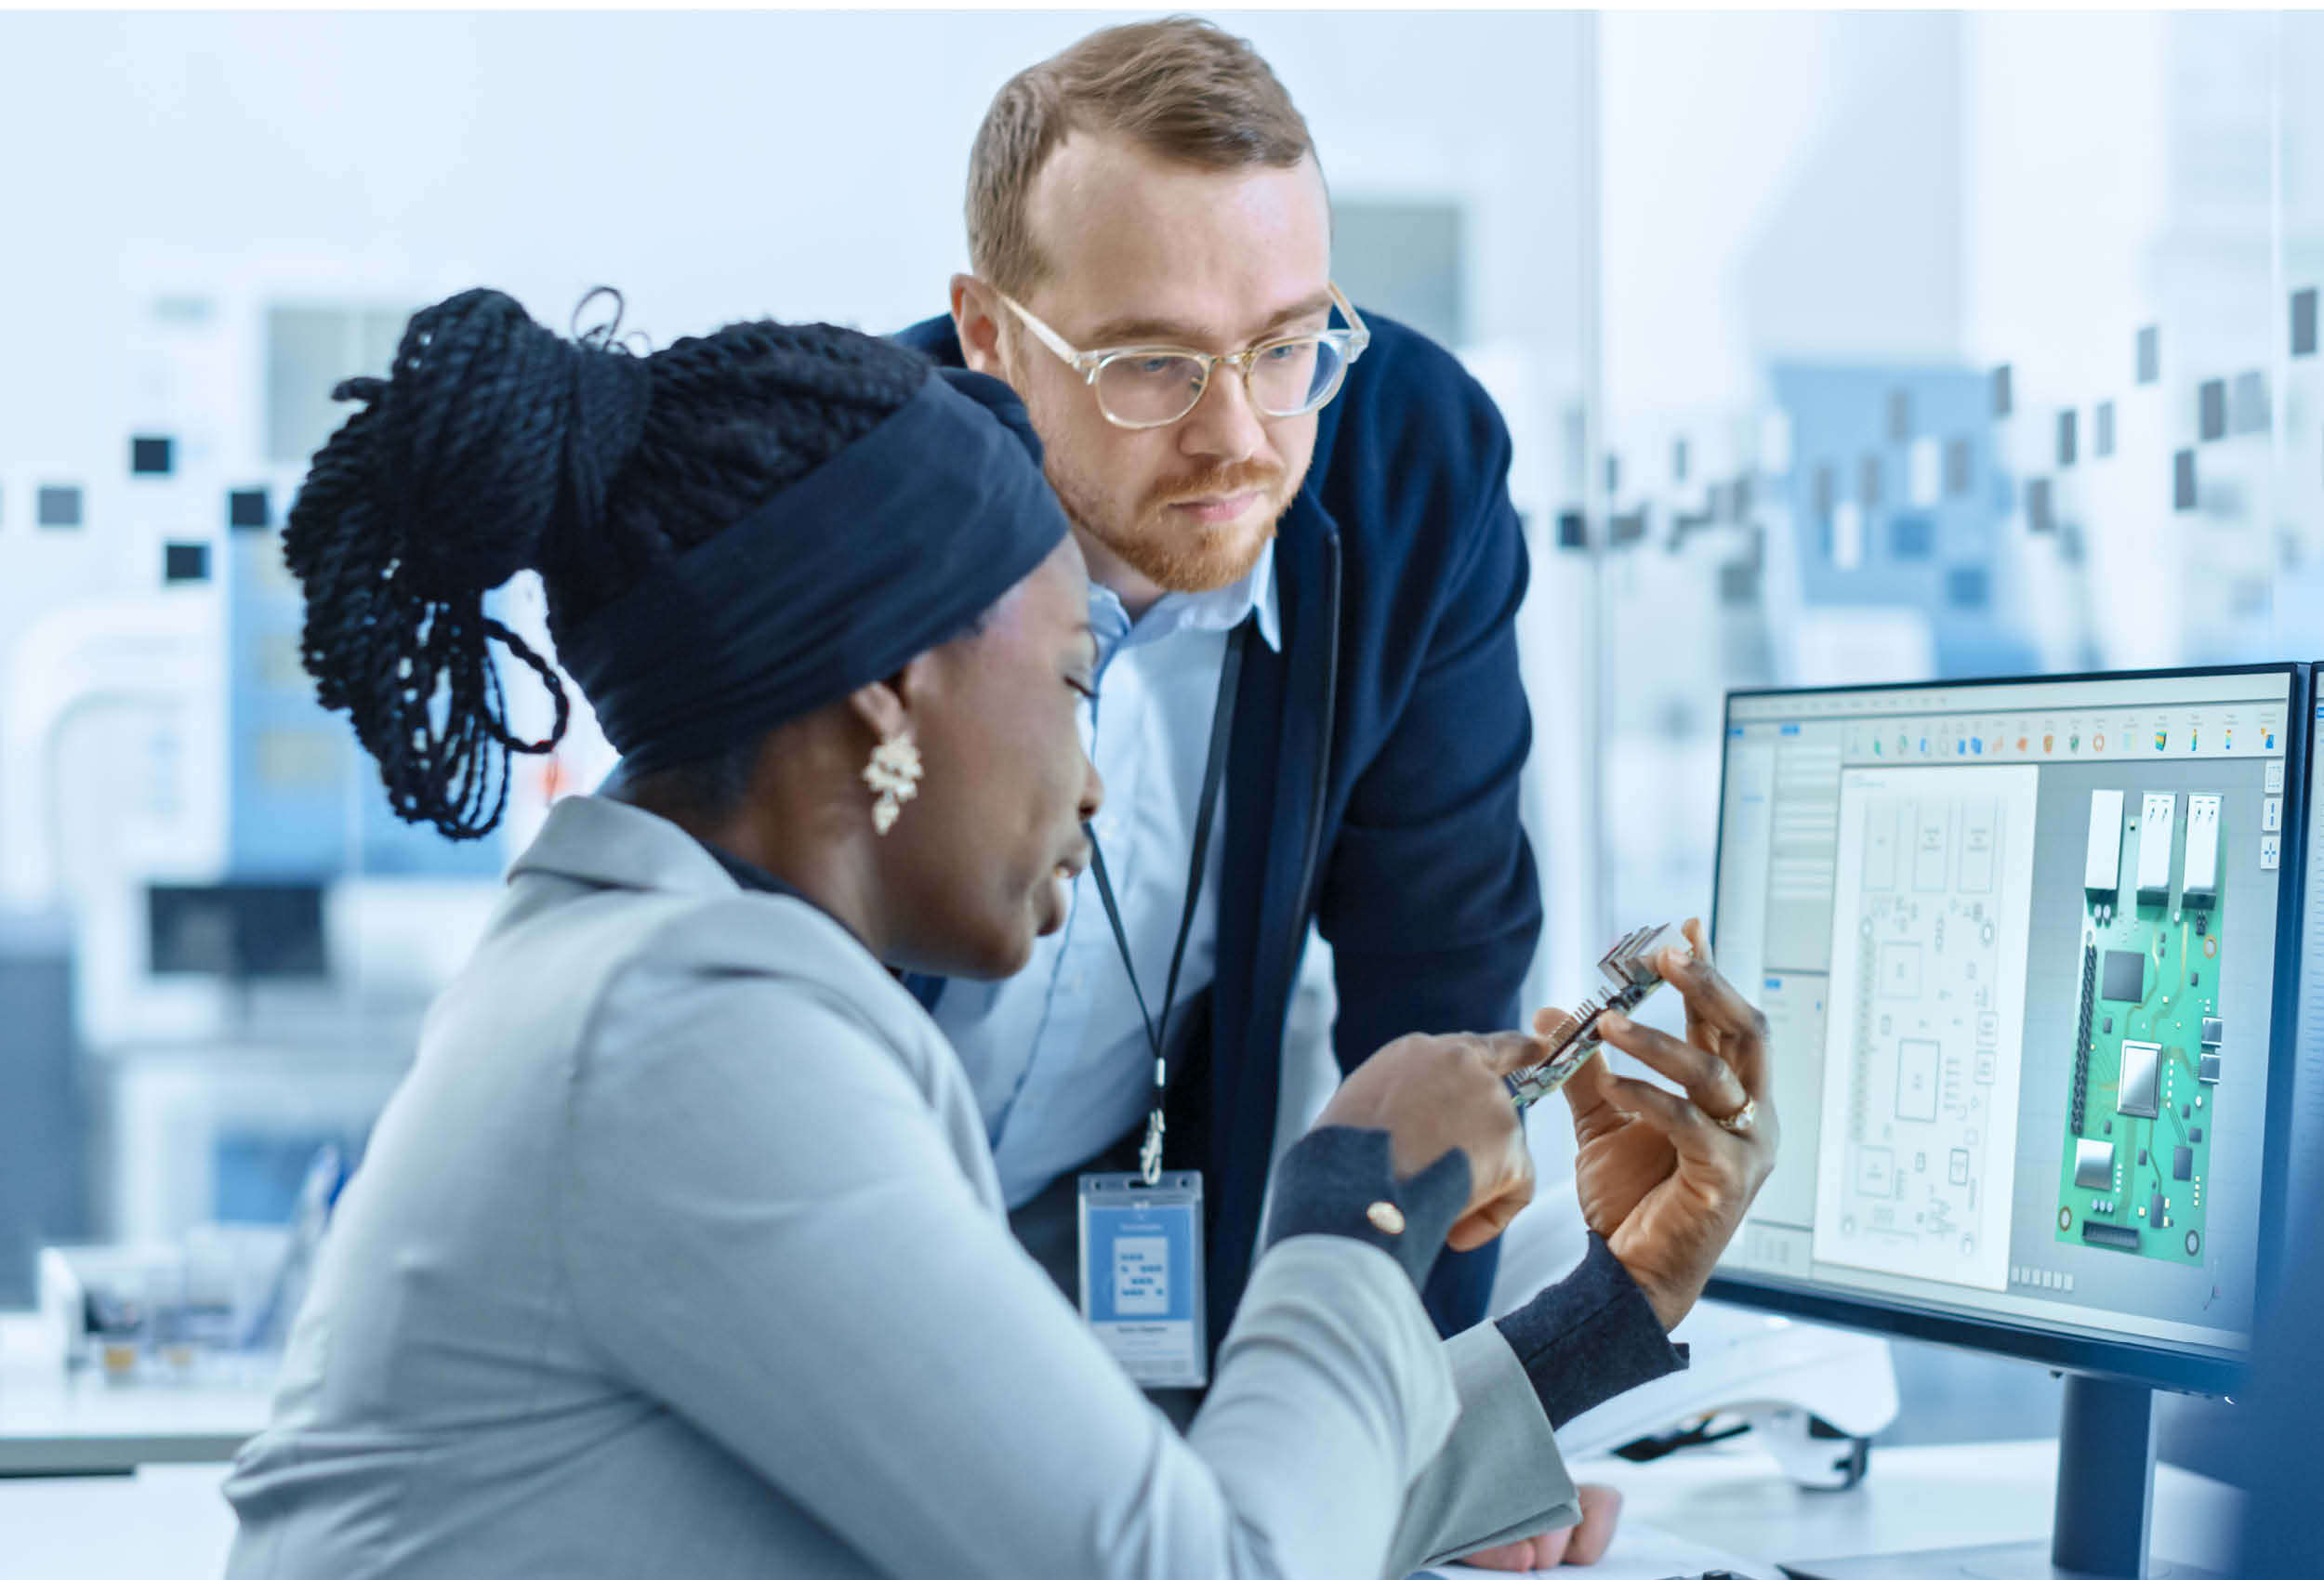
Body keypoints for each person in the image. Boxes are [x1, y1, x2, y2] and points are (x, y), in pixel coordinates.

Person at [218, 286, 1778, 1578]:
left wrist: (1605, 1316)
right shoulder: (690, 1046)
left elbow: (1144, 1521)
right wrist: (1358, 1196)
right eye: (1072, 685)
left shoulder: (689, 995)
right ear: (890, 699)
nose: (1095, 783)